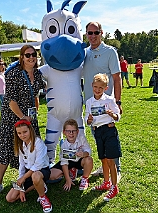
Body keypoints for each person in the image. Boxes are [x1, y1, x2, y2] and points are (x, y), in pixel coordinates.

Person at [0, 45, 46, 199]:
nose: (31, 57)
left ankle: (32, 178)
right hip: (12, 116)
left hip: (28, 117)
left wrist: (35, 112)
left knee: (31, 146)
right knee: (6, 149)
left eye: (34, 54)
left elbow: (37, 94)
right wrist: (22, 117)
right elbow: (10, 100)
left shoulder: (38, 73)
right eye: (27, 55)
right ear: (22, 57)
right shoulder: (14, 73)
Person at [82, 21, 122, 178]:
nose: (92, 36)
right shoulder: (84, 53)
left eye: (95, 33)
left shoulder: (110, 51)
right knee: (98, 136)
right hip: (91, 104)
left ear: (101, 33)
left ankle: (116, 170)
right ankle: (105, 167)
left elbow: (117, 78)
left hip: (106, 106)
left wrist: (117, 102)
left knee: (110, 138)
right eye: (89, 33)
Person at [85, 73, 122, 201]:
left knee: (111, 160)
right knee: (104, 159)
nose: (97, 90)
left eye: (100, 88)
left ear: (105, 88)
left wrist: (113, 115)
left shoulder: (109, 100)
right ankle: (106, 183)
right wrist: (89, 120)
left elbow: (118, 116)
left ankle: (114, 186)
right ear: (92, 86)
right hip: (98, 132)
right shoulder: (89, 102)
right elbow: (87, 119)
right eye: (95, 87)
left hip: (109, 131)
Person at [6, 119, 52, 213]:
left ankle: (43, 197)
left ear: (30, 130)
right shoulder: (20, 145)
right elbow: (22, 165)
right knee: (10, 198)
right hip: (28, 172)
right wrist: (21, 187)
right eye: (19, 133)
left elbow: (38, 165)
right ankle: (39, 186)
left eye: (25, 132)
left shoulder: (38, 143)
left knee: (35, 176)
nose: (22, 135)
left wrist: (23, 178)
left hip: (42, 170)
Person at [50, 119, 93, 191]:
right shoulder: (64, 145)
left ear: (77, 131)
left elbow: (88, 150)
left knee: (89, 159)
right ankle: (70, 171)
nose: (71, 133)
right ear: (64, 132)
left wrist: (83, 154)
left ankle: (85, 179)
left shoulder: (82, 138)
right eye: (68, 131)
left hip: (80, 160)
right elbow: (64, 163)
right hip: (68, 162)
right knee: (52, 175)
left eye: (73, 131)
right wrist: (68, 179)